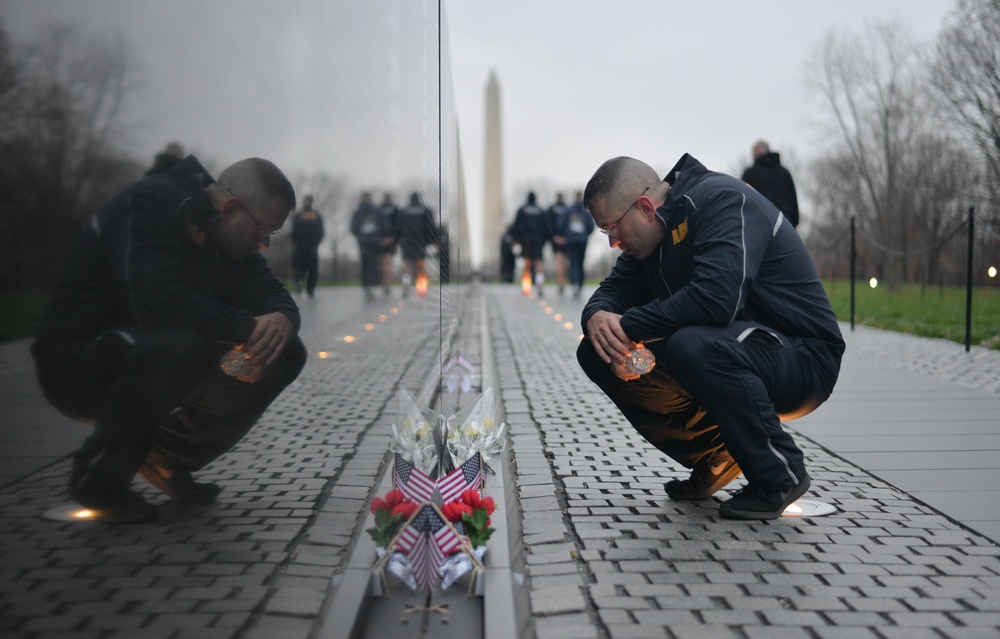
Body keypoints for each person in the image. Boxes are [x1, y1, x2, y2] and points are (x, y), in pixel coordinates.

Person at [31, 155, 307, 524]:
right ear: (229, 208)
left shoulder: (232, 243)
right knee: (180, 346)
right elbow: (157, 302)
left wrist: (283, 320)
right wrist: (247, 328)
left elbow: (272, 292)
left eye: (271, 234)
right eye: (264, 230)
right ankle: (98, 479)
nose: (264, 244)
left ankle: (166, 457)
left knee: (282, 353)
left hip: (158, 354)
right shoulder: (152, 203)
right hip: (78, 361)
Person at [578, 154, 844, 520]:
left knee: (692, 344)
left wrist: (628, 326)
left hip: (803, 358)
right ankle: (716, 456)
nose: (612, 243)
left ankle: (779, 474)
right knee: (597, 351)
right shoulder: (648, 243)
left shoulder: (722, 201)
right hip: (733, 350)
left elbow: (716, 300)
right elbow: (610, 293)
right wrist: (596, 319)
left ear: (644, 207)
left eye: (612, 229)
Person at [740, 140, 800, 228]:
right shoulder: (784, 172)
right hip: (784, 220)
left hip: (759, 219)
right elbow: (793, 198)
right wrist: (794, 222)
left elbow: (743, 197)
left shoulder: (750, 173)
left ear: (757, 152)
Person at [396, 192, 438, 298]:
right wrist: (433, 241)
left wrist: (398, 240)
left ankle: (406, 286)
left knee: (407, 265)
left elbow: (398, 227)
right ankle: (422, 288)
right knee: (421, 265)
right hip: (421, 241)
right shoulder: (426, 210)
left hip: (407, 241)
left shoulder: (403, 211)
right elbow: (431, 226)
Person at [558, 190, 594, 299]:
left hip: (572, 240)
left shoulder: (569, 210)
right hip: (582, 240)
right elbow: (591, 226)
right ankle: (580, 284)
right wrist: (585, 235)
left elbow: (561, 224)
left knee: (573, 262)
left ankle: (575, 283)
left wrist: (566, 234)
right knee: (580, 262)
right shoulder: (586, 212)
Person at [512, 192, 549, 296]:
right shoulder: (540, 210)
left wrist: (516, 240)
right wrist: (545, 241)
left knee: (527, 263)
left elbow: (516, 226)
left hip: (526, 239)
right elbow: (546, 226)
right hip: (538, 239)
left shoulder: (522, 209)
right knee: (538, 262)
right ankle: (540, 284)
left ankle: (526, 287)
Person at [350, 192, 384, 300]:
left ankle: (366, 284)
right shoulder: (377, 211)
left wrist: (360, 235)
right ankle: (372, 283)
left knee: (365, 262)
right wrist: (378, 235)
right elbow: (384, 224)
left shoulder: (358, 212)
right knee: (373, 262)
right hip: (374, 241)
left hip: (363, 241)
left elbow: (353, 227)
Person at [290, 194, 324, 298]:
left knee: (307, 268)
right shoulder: (312, 215)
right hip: (305, 246)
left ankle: (307, 287)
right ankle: (304, 286)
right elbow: (293, 230)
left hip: (307, 246)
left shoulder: (301, 215)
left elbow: (320, 232)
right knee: (303, 267)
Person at [376, 193, 399, 296]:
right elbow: (398, 224)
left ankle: (384, 284)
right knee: (388, 263)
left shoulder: (378, 209)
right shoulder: (395, 209)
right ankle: (387, 285)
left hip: (380, 240)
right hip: (391, 239)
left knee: (382, 264)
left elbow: (376, 224)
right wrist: (395, 238)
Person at [546, 193, 569, 295]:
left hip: (555, 240)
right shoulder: (567, 209)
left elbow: (548, 224)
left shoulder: (551, 209)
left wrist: (553, 237)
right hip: (566, 240)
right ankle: (563, 283)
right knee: (565, 263)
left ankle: (560, 283)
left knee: (558, 262)